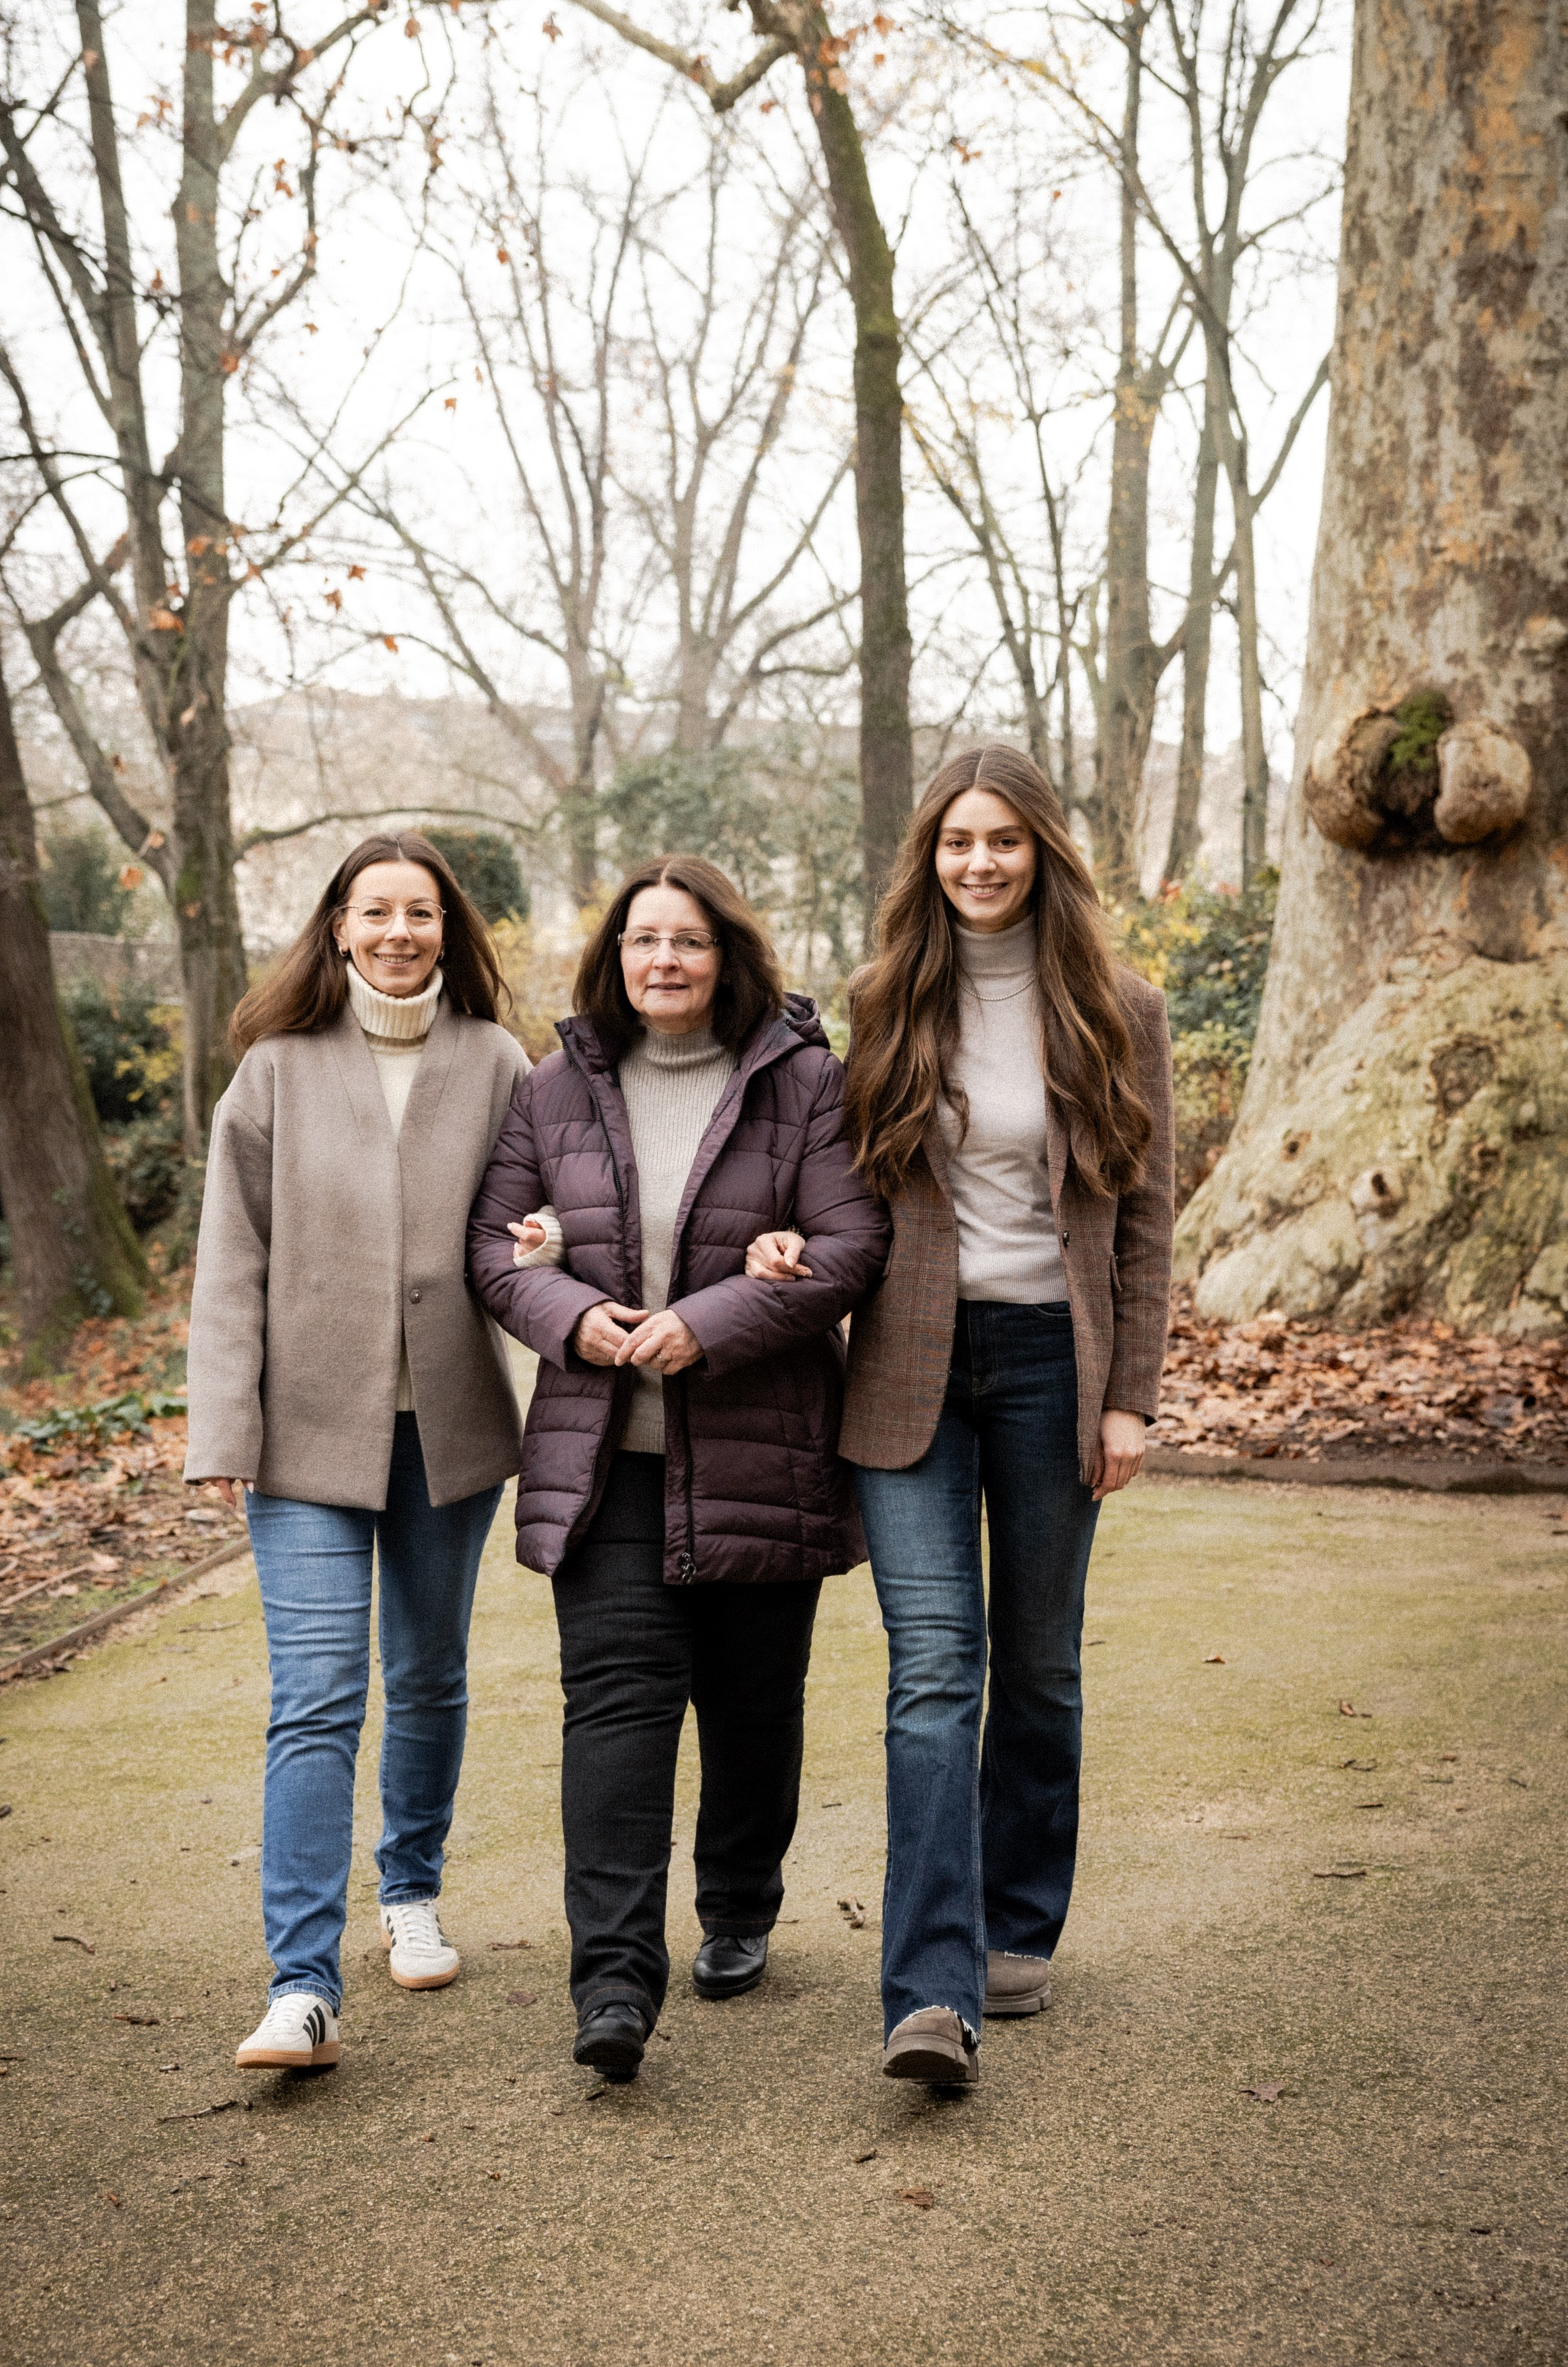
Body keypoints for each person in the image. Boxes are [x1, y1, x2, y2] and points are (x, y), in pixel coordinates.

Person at [753, 745, 1173, 2089]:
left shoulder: (1119, 1007)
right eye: (956, 841)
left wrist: (1129, 1397)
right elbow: (832, 1179)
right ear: (927, 858)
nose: (979, 862)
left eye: (1002, 840)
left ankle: (1015, 1925)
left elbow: (1145, 1219)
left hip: (1057, 1364)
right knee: (934, 1673)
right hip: (910, 1368)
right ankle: (929, 1991)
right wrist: (784, 1244)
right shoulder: (883, 999)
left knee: (1037, 1667)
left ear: (1042, 851)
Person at [468, 857, 890, 2083]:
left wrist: (708, 1323)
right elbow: (494, 1246)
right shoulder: (553, 1088)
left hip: (764, 1452)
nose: (665, 960)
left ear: (727, 956)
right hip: (605, 1463)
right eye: (644, 939)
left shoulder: (805, 1083)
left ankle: (740, 1905)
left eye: (689, 941)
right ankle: (612, 1981)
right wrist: (571, 1318)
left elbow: (852, 1241)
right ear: (616, 957)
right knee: (614, 1713)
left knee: (753, 1709)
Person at [185, 831, 531, 2073]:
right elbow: (231, 1260)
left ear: (448, 929)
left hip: (450, 1432)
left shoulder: (495, 1061)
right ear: (338, 926)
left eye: (419, 913)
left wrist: (544, 1244)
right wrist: (222, 1427)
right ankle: (301, 1985)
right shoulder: (275, 1070)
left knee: (429, 1674)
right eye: (375, 911)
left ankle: (412, 1891)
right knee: (318, 1697)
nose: (398, 933)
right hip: (303, 1440)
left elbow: (540, 1211)